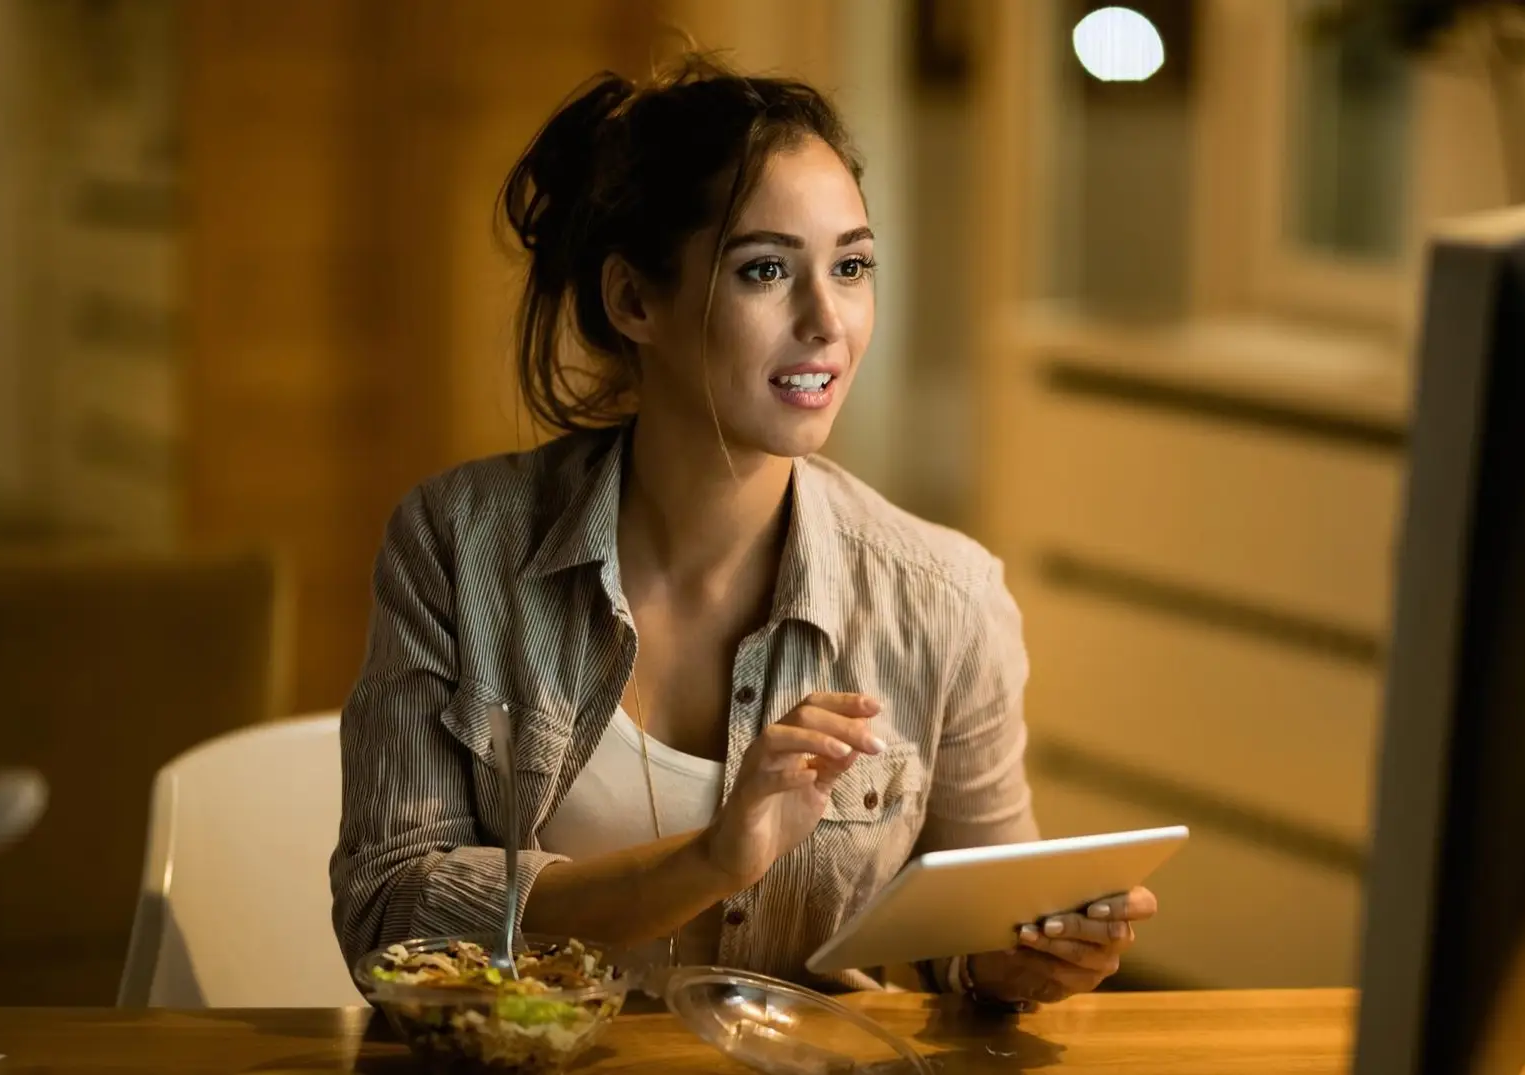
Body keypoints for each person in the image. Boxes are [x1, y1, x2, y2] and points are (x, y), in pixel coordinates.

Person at [329, 53, 1158, 1008]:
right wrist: (711, 859)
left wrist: (1030, 958)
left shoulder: (947, 596)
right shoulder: (457, 543)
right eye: (767, 269)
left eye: (851, 267)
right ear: (635, 300)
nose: (827, 322)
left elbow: (976, 935)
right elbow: (389, 908)